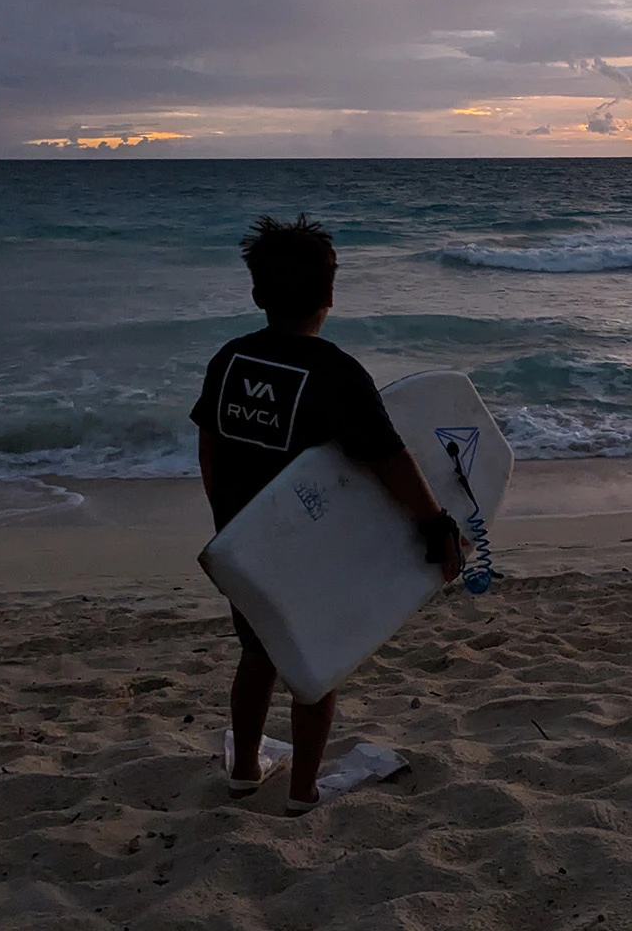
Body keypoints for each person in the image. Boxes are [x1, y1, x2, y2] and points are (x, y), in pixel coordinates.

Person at [190, 213, 462, 816]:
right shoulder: (335, 374)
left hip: (245, 543)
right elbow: (389, 458)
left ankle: (243, 771)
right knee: (315, 665)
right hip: (310, 547)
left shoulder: (229, 360)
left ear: (257, 294)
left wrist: (225, 520)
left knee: (259, 649)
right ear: (331, 295)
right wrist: (434, 521)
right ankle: (303, 791)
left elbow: (209, 441)